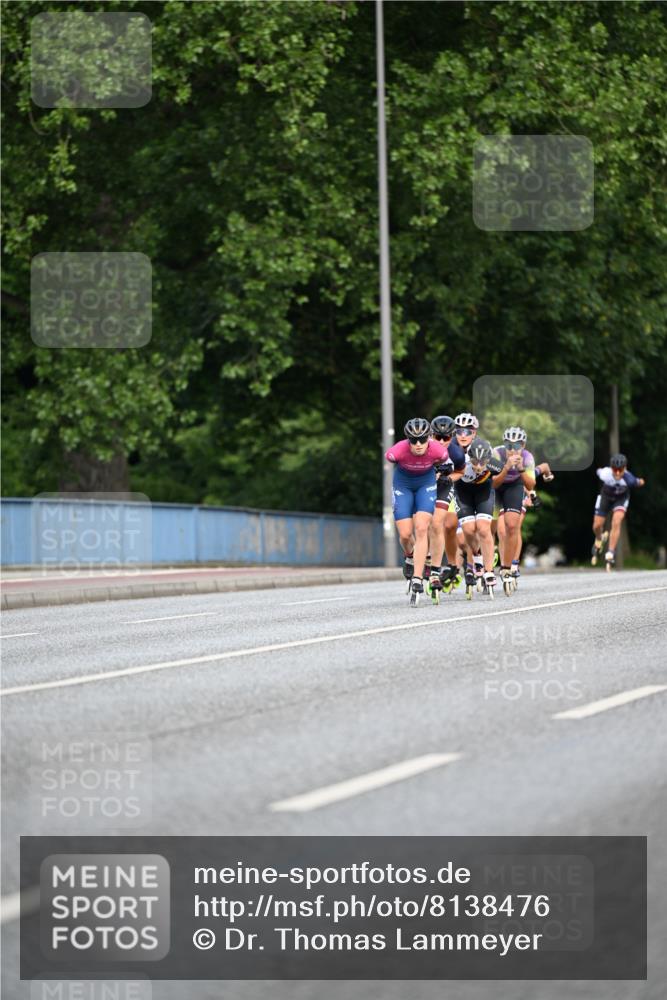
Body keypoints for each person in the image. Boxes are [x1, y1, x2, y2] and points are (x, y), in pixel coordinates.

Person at [385, 418, 450, 601]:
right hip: (403, 485)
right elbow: (389, 456)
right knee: (405, 535)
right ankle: (409, 556)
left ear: (429, 437)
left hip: (425, 484)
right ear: (408, 440)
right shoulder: (397, 452)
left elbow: (445, 461)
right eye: (414, 440)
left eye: (423, 439)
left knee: (422, 528)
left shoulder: (439, 451)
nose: (419, 444)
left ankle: (418, 577)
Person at [453, 437, 503, 594]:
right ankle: (477, 556)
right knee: (468, 530)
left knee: (483, 529)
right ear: (470, 457)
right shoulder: (461, 460)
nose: (479, 466)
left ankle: (488, 570)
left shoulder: (495, 465)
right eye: (475, 462)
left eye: (483, 462)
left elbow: (509, 481)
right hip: (463, 494)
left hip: (484, 494)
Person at [493, 427, 536, 591]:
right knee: (494, 529)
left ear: (523, 445)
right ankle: (486, 562)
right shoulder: (496, 454)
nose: (512, 450)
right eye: (508, 445)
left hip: (514, 487)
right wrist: (506, 467)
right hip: (496, 487)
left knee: (512, 526)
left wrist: (520, 469)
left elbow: (530, 484)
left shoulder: (527, 457)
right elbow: (494, 483)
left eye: (516, 445)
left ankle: (507, 567)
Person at [427, 415, 466, 596]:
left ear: (452, 437)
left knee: (448, 525)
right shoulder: (422, 447)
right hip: (424, 487)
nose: (442, 441)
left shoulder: (456, 453)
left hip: (446, 487)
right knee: (423, 523)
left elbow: (461, 471)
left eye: (446, 438)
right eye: (438, 437)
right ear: (431, 435)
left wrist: (448, 479)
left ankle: (452, 565)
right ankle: (423, 557)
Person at [592, 453, 645, 568]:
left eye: (620, 470)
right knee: (596, 525)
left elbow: (640, 482)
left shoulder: (629, 479)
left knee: (617, 520)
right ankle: (599, 538)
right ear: (611, 468)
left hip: (620, 499)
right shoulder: (605, 474)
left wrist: (640, 481)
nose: (617, 473)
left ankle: (610, 552)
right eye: (614, 470)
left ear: (625, 468)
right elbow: (598, 471)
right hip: (605, 498)